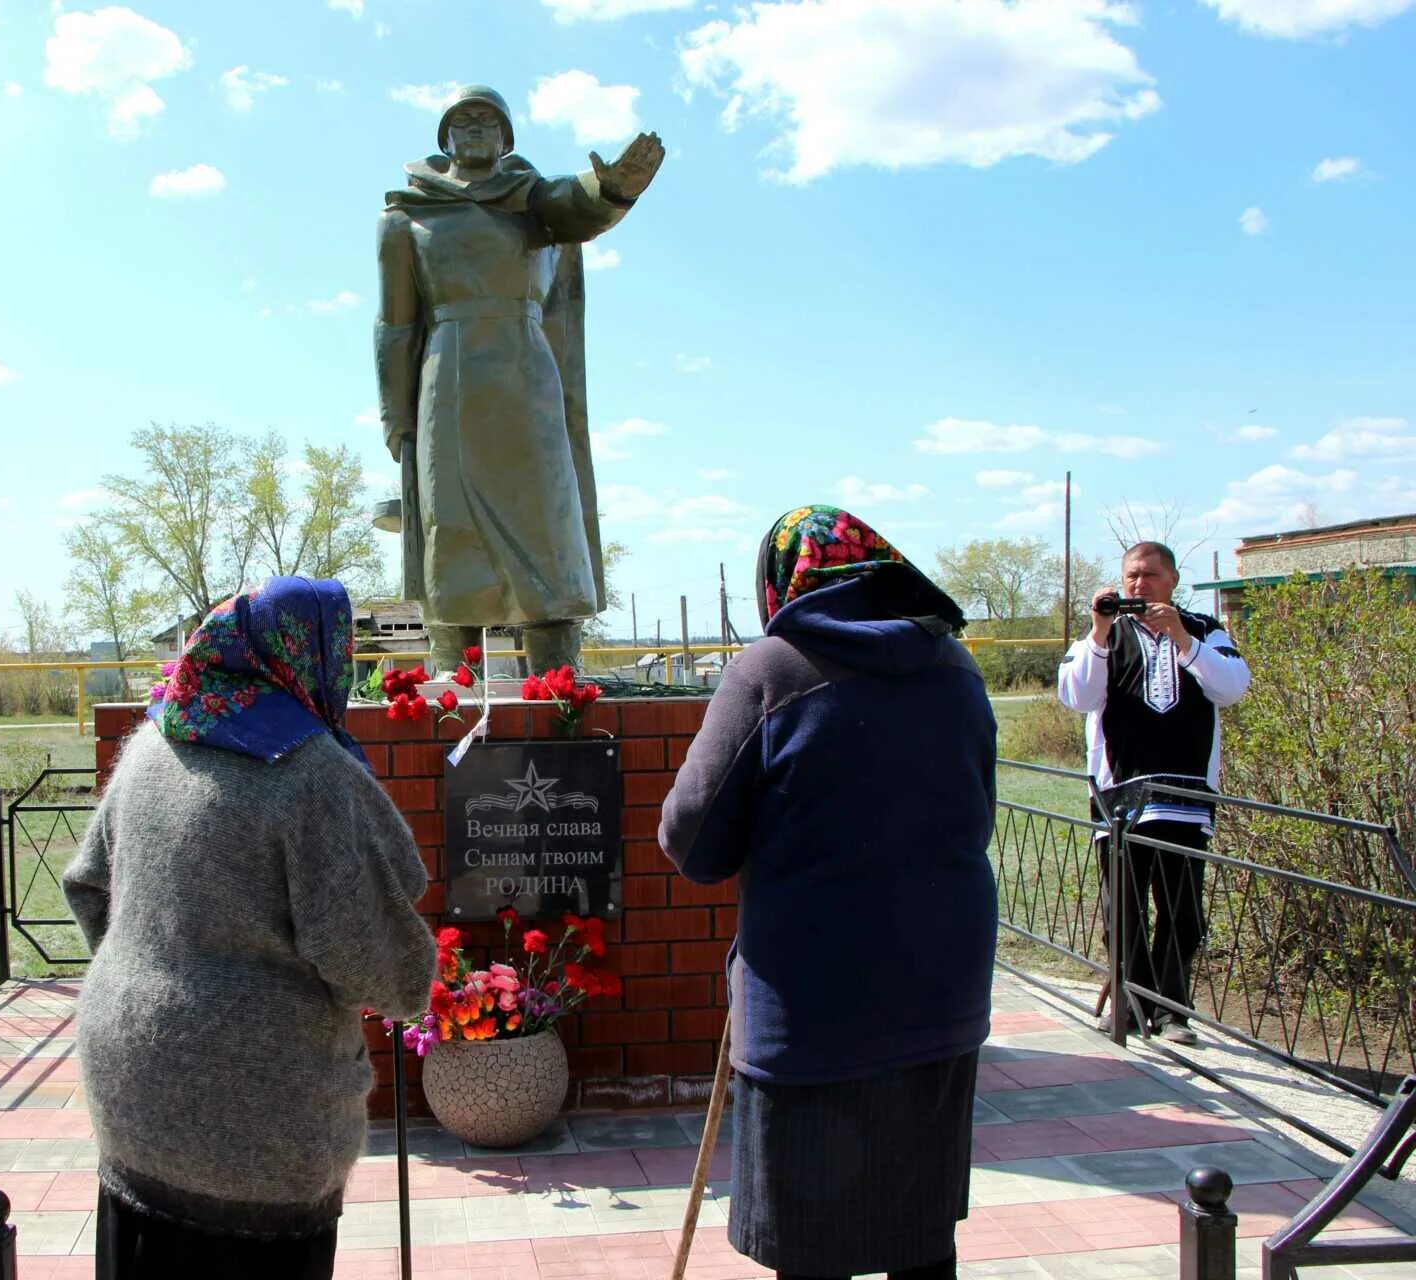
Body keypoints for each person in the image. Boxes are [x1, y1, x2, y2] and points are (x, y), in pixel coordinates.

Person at [63, 577, 436, 1279]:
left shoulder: (156, 741)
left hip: (130, 1096)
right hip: (258, 1128)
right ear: (312, 655)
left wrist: (156, 984)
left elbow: (88, 886)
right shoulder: (311, 773)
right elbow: (384, 968)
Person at [659, 505, 997, 1280]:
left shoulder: (772, 669)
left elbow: (692, 838)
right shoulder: (955, 665)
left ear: (784, 581)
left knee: (812, 1249)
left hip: (814, 1010)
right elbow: (975, 807)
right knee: (919, 1238)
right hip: (939, 995)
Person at [374, 84, 665, 673]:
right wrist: (395, 415)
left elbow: (578, 206)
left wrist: (612, 188)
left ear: (507, 137)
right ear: (445, 134)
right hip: (448, 381)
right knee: (449, 520)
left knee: (545, 519)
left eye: (489, 119)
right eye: (464, 118)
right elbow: (395, 326)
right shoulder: (407, 216)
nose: (476, 126)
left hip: (527, 375)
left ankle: (561, 689)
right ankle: (450, 688)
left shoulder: (532, 202)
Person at [1058, 541, 1251, 1045]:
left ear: (1172, 579)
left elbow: (1231, 688)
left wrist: (1183, 639)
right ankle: (1129, 1005)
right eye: (1130, 577)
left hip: (1185, 796)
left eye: (1148, 575)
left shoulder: (1206, 631)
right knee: (1122, 910)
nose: (1138, 585)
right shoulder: (1107, 632)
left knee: (1182, 910)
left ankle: (1173, 1011)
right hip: (1120, 797)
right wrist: (1099, 631)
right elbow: (1079, 696)